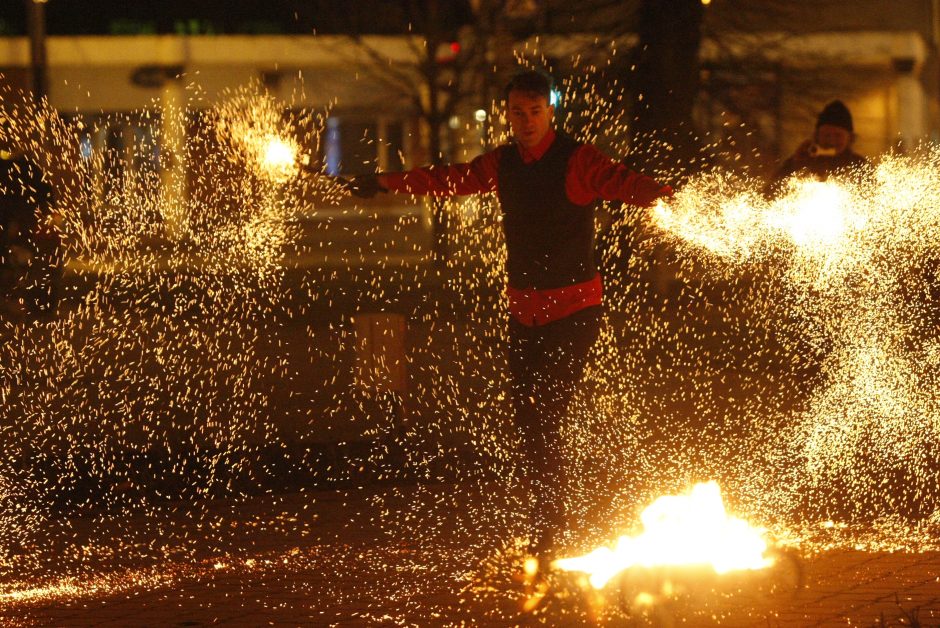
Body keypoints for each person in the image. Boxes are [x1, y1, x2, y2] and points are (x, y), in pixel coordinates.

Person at [344, 70, 671, 576]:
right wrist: (384, 181)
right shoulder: (503, 163)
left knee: (548, 415)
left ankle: (554, 522)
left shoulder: (577, 159)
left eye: (534, 111)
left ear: (550, 112)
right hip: (524, 313)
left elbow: (625, 183)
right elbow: (449, 179)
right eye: (517, 112)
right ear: (508, 114)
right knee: (530, 418)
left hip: (575, 311)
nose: (526, 121)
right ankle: (550, 516)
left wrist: (673, 198)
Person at [766, 99, 868, 194]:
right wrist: (794, 167)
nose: (831, 141)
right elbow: (768, 196)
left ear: (849, 138)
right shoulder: (801, 162)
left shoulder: (860, 167)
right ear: (817, 136)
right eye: (826, 135)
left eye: (838, 135)